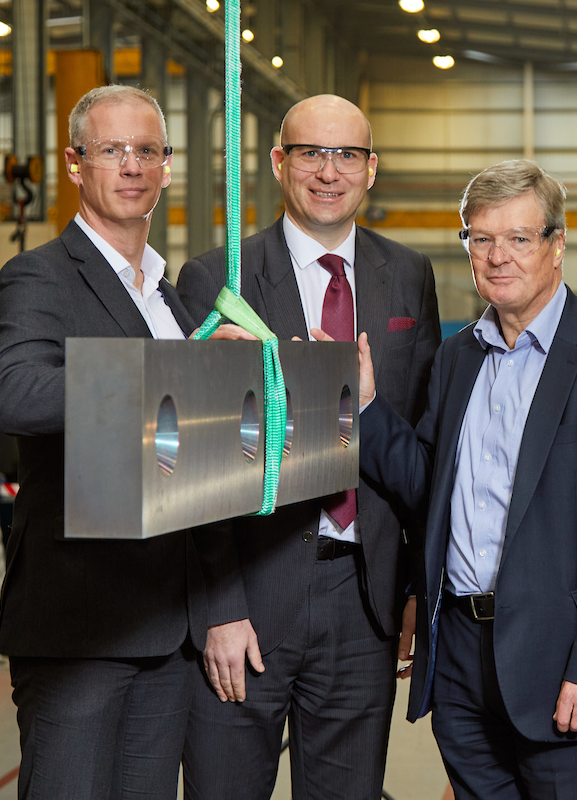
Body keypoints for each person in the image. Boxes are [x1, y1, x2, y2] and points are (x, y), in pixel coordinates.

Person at [355, 159, 577, 799]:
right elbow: (427, 490)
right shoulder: (457, 358)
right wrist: (365, 407)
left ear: (558, 245)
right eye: (481, 238)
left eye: (519, 238)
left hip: (563, 664)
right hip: (462, 663)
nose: (498, 256)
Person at [176, 95, 441, 799]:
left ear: (371, 168)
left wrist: (414, 587)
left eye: (347, 154)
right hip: (252, 600)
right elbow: (195, 469)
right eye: (310, 153)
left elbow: (419, 439)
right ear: (277, 162)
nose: (330, 171)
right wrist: (221, 610)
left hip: (366, 602)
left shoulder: (410, 274)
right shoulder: (219, 281)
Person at [0, 85, 206, 799]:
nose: (133, 166)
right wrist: (160, 374)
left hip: (166, 626)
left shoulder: (173, 298)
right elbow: (14, 393)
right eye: (112, 150)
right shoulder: (40, 275)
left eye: (148, 150)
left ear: (167, 167)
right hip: (78, 627)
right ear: (76, 164)